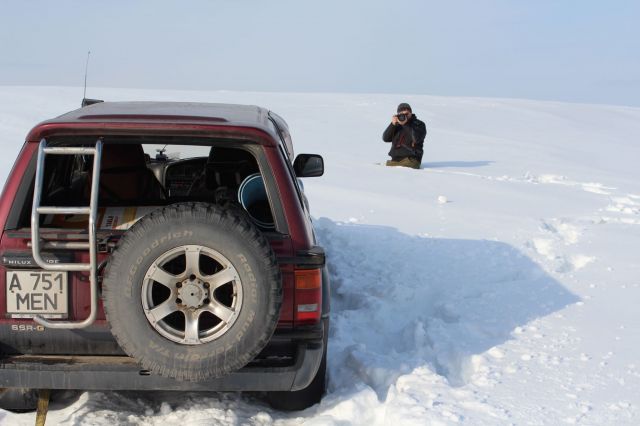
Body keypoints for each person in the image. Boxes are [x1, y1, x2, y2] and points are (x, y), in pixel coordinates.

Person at [382, 103, 426, 169]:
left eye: (407, 113)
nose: (404, 116)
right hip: (394, 161)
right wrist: (392, 124)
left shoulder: (419, 124)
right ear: (398, 114)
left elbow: (416, 139)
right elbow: (385, 139)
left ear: (411, 113)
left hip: (411, 160)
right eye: (402, 113)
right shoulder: (397, 124)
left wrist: (405, 124)